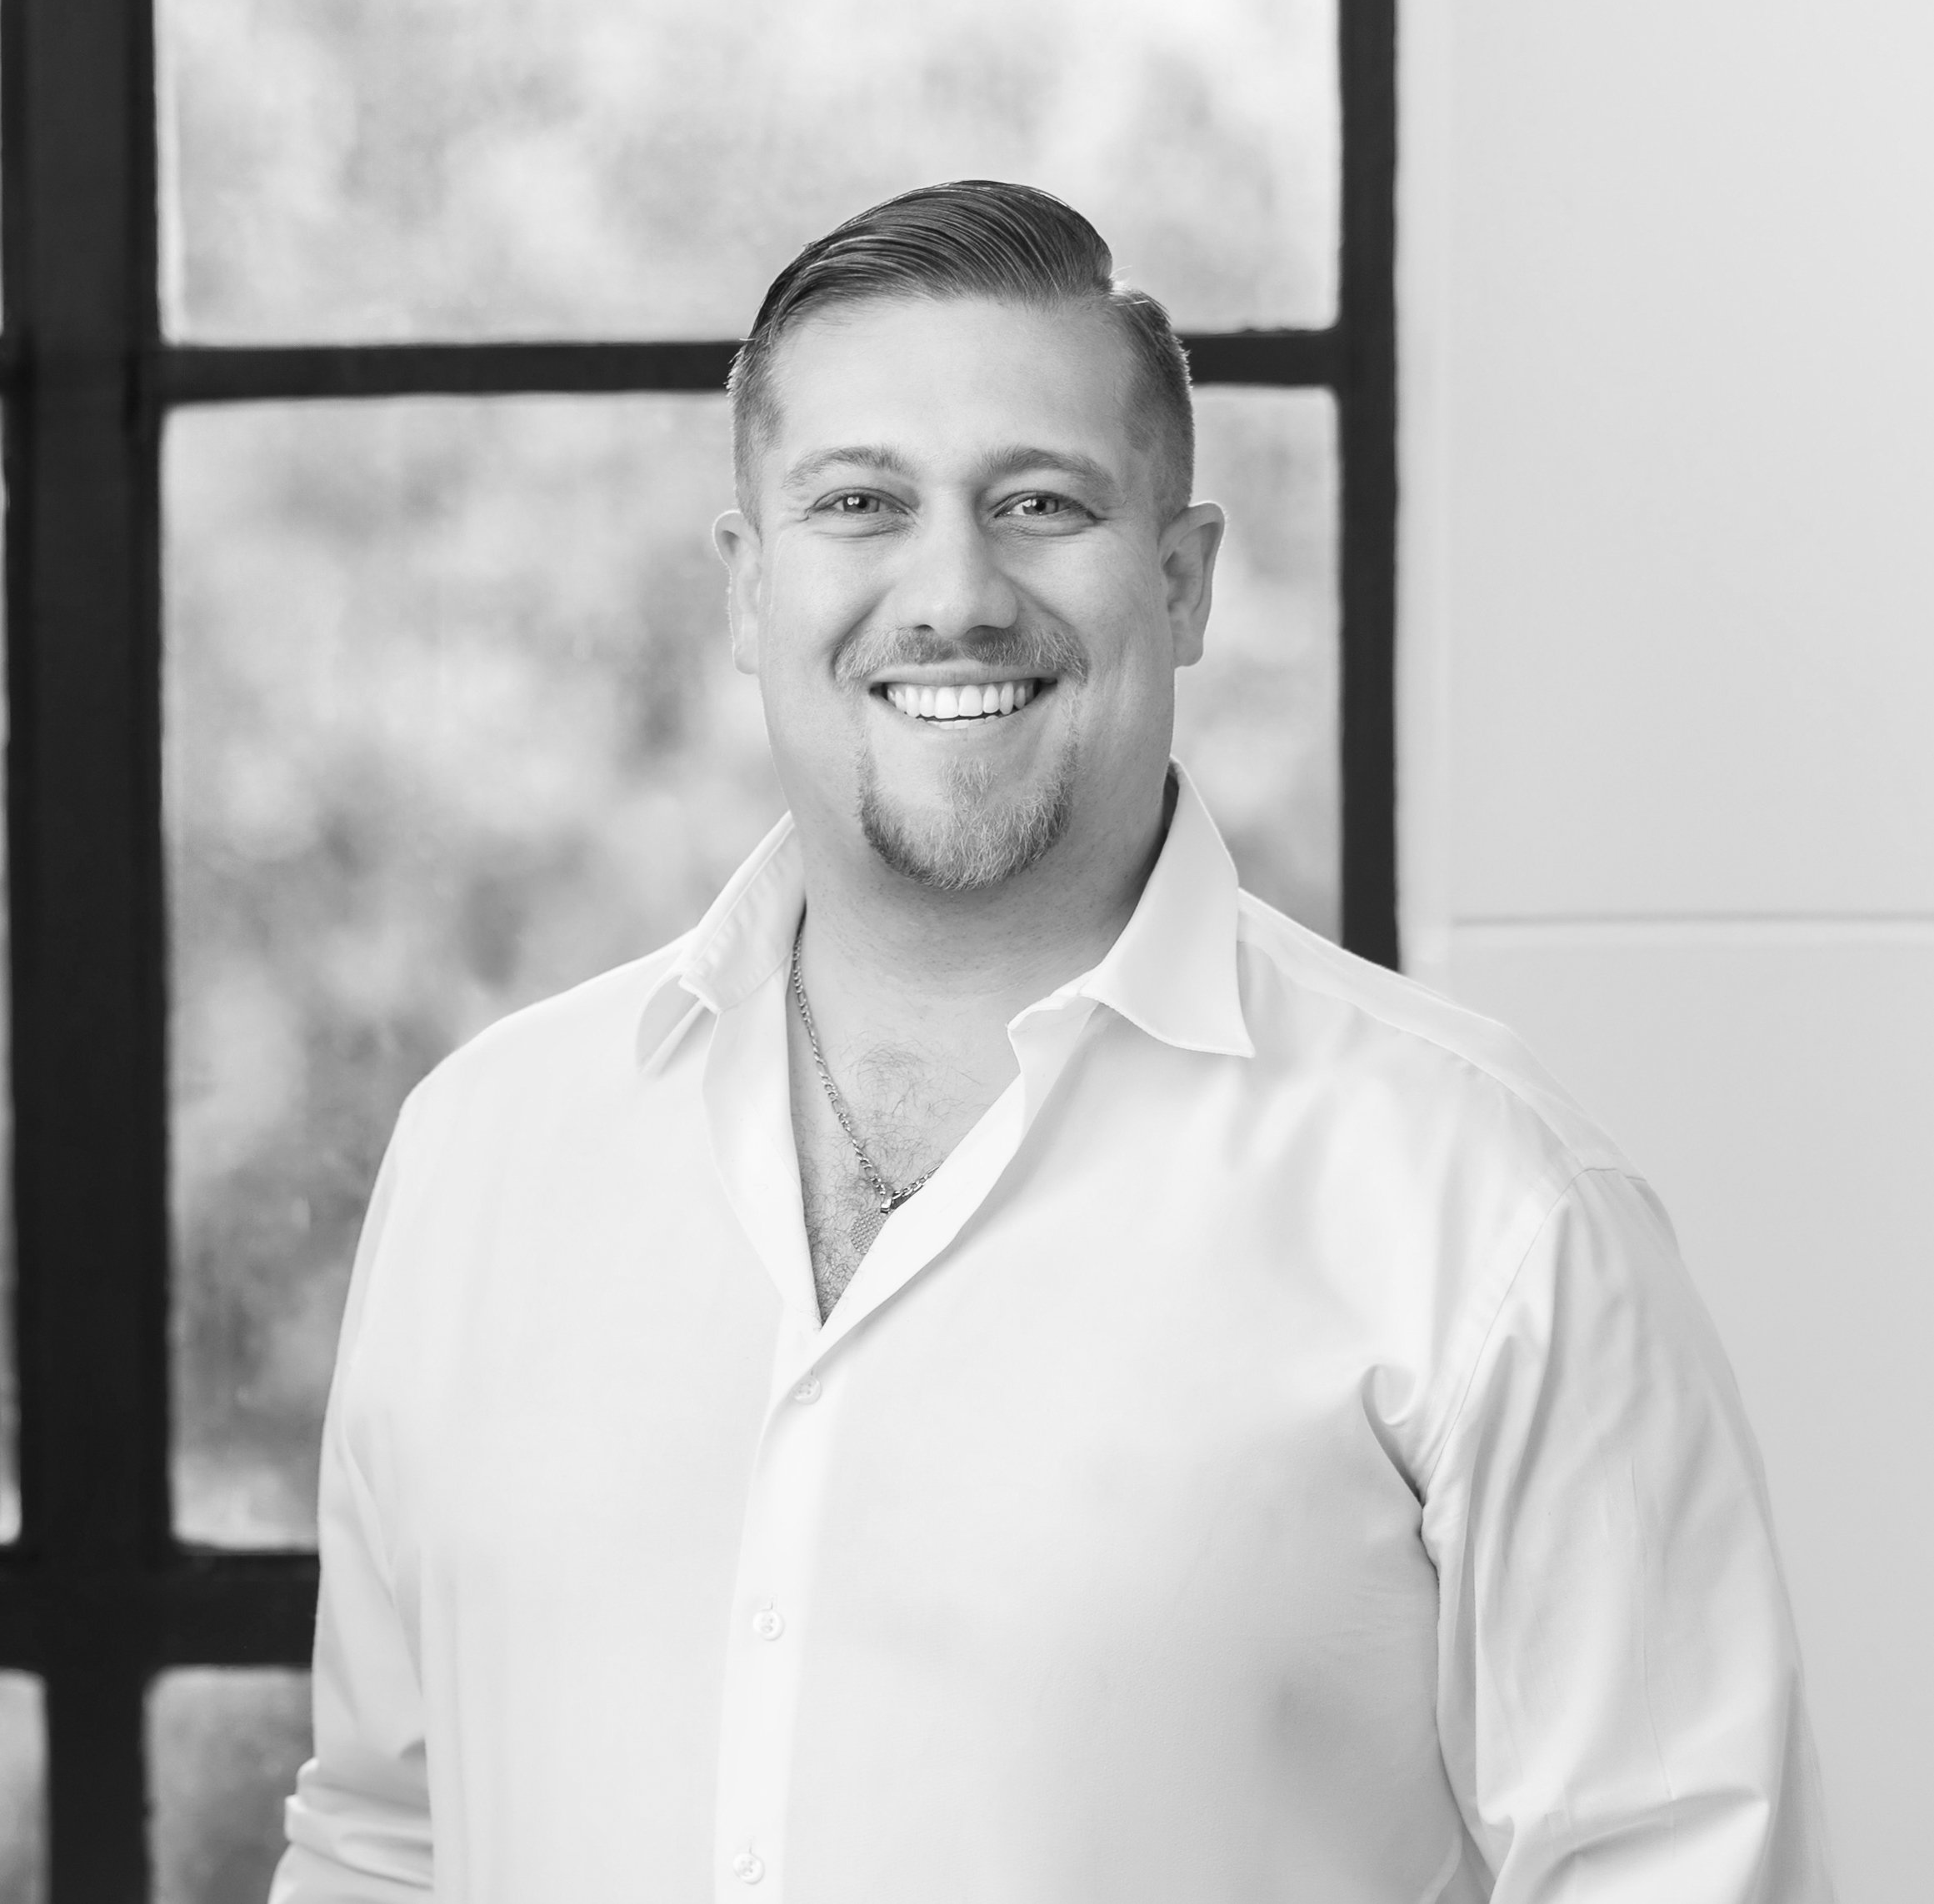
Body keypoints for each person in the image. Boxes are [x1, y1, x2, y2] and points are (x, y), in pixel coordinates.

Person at [271, 181, 1831, 1903]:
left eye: (1040, 503)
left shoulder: (1486, 1203)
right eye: (861, 502)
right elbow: (378, 1845)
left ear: (1182, 580)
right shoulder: (486, 1153)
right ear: (745, 587)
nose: (954, 593)